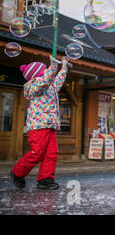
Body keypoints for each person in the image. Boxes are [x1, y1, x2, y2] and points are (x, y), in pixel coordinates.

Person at [11, 56, 69, 190]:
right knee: (37, 153)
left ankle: (45, 179)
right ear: (37, 74)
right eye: (44, 70)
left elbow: (58, 80)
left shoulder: (49, 85)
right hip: (38, 126)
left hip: (50, 125)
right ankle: (17, 172)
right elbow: (44, 81)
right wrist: (53, 67)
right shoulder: (32, 85)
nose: (47, 71)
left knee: (51, 153)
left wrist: (64, 67)